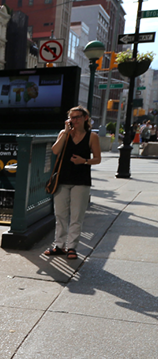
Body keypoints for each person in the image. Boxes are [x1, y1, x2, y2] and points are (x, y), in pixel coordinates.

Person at [44, 106, 101, 260]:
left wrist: (85, 161)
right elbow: (55, 151)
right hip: (62, 179)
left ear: (85, 118)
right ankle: (59, 245)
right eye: (71, 118)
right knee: (60, 214)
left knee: (77, 216)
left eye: (77, 117)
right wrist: (65, 133)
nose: (74, 120)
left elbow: (97, 159)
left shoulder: (92, 137)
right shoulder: (64, 133)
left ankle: (72, 247)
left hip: (81, 181)